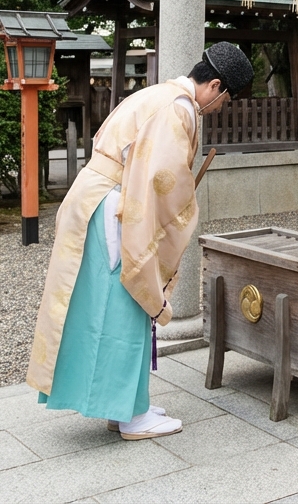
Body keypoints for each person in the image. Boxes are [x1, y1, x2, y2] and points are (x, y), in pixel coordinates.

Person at [27, 42, 253, 440]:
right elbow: (161, 183)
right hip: (116, 208)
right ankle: (131, 417)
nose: (221, 107)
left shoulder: (160, 93)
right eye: (226, 98)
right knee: (125, 306)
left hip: (97, 200)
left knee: (99, 306)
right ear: (215, 85)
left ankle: (126, 404)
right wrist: (181, 212)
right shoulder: (178, 108)